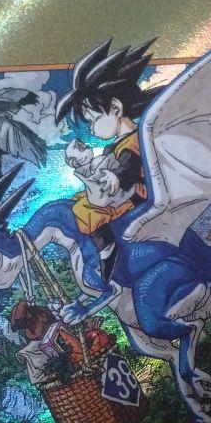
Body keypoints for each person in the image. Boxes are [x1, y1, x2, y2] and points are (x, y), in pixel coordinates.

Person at [55, 38, 160, 280]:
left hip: (136, 195)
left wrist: (116, 177)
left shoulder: (134, 140)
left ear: (115, 108)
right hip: (122, 191)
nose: (91, 129)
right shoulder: (118, 143)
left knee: (85, 210)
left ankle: (107, 248)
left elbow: (130, 164)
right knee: (79, 200)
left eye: (93, 120)